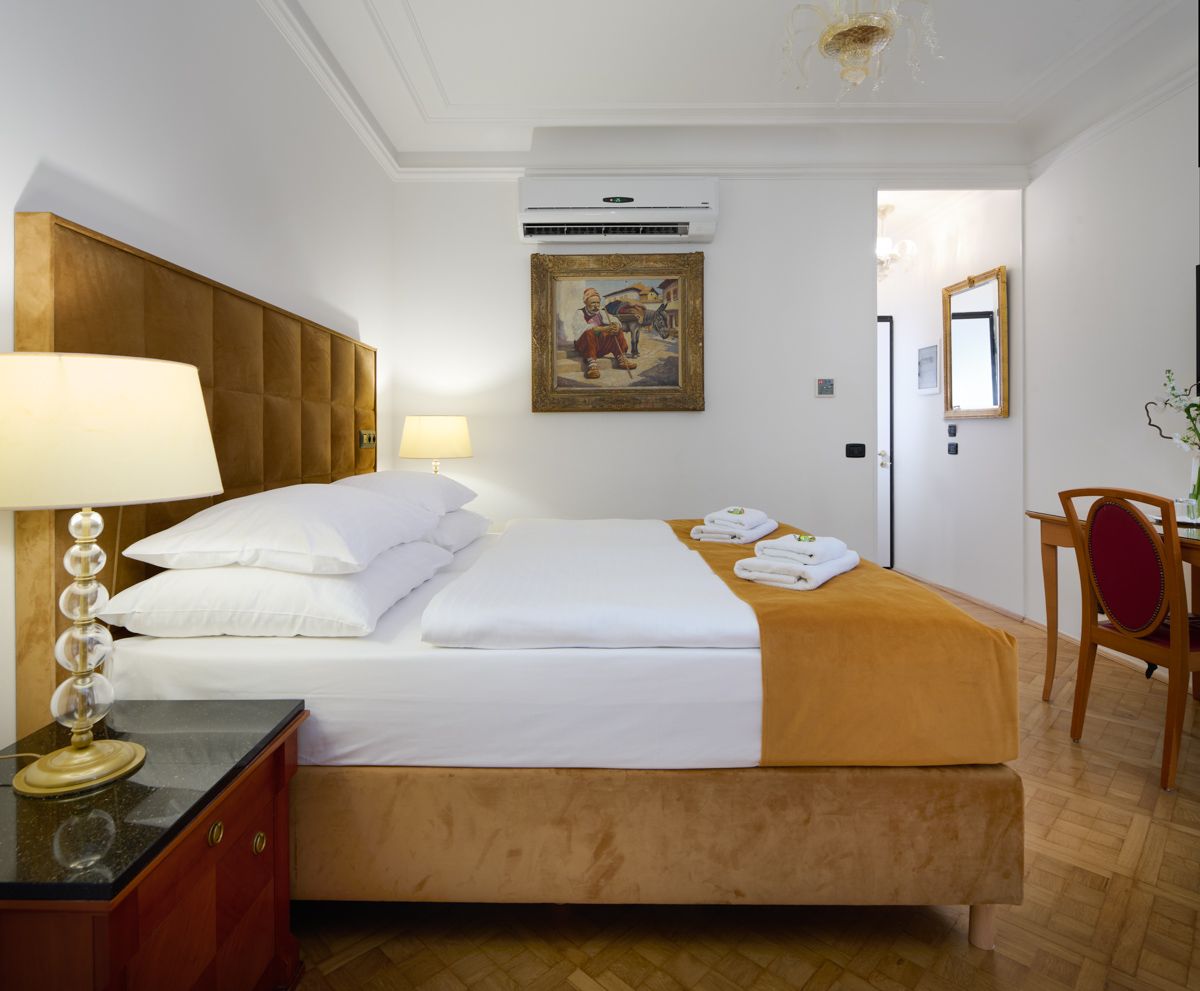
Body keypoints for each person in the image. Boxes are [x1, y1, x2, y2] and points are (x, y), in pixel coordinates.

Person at [570, 287, 637, 379]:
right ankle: (592, 365)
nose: (596, 305)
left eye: (598, 303)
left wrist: (616, 326)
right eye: (593, 303)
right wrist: (604, 328)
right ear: (586, 303)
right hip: (585, 346)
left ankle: (621, 358)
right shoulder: (580, 313)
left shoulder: (602, 312)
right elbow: (582, 328)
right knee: (589, 332)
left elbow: (614, 320)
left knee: (617, 331)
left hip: (599, 346)